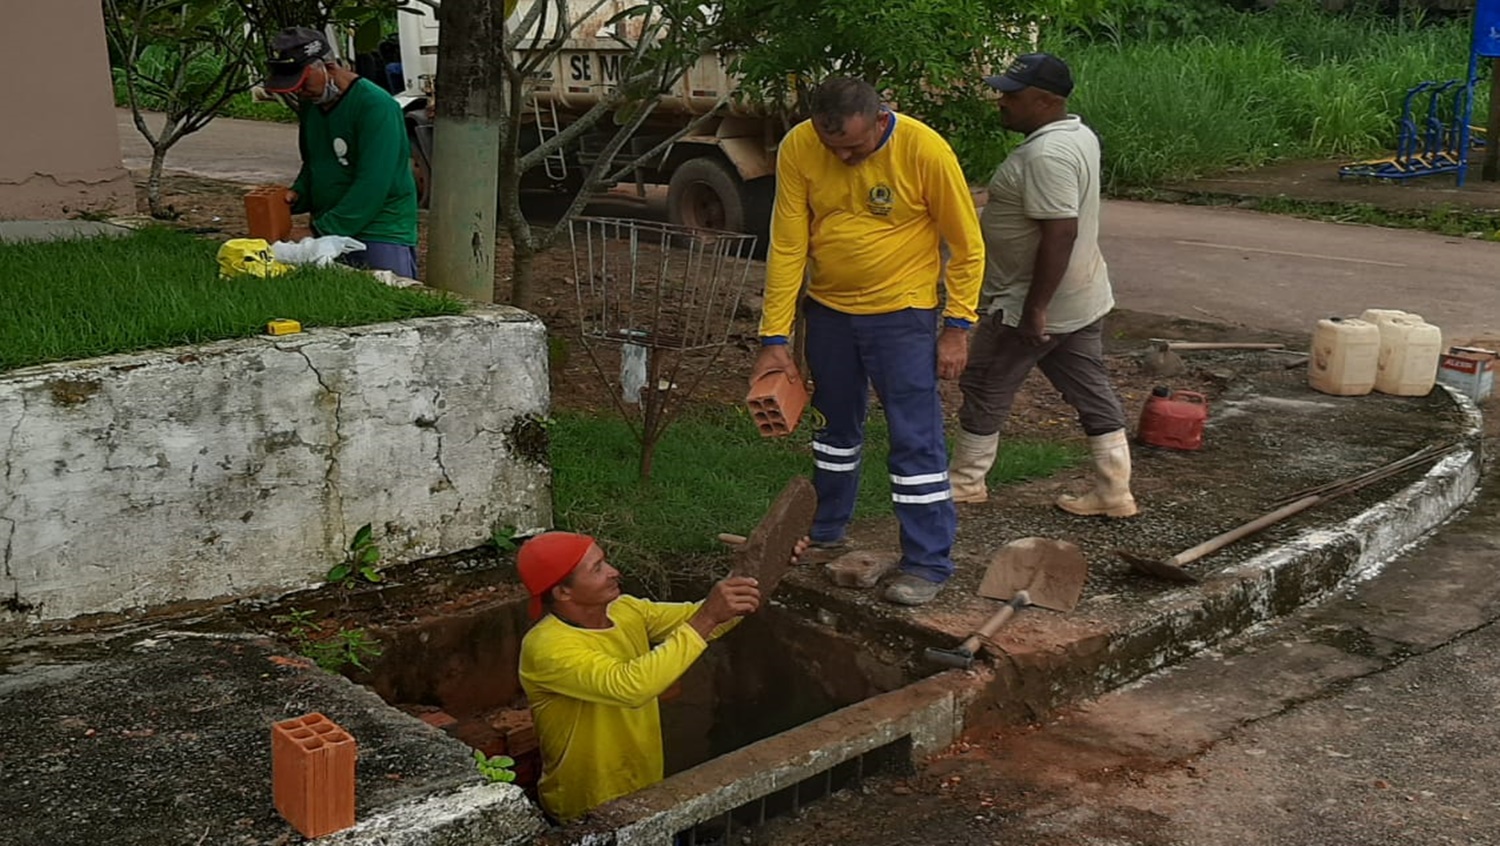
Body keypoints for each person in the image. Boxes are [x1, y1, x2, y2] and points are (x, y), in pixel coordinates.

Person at [749, 77, 984, 608]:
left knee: (914, 439)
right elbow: (788, 244)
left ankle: (927, 560)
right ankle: (826, 530)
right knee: (833, 433)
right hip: (829, 312)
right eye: (833, 147)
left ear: (882, 118)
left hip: (902, 316)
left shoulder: (924, 150)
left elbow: (966, 246)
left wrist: (957, 326)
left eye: (855, 146)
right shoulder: (799, 147)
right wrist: (775, 336)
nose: (845, 156)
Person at [948, 53, 1137, 518]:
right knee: (1089, 386)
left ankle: (965, 482)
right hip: (1081, 296)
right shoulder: (1077, 134)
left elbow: (1061, 231)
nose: (1002, 102)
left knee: (985, 381)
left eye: (1013, 95)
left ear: (1047, 100)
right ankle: (1115, 492)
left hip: (1033, 301)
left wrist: (1035, 310)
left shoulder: (1046, 154)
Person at [517, 531, 804, 822]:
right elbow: (631, 685)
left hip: (646, 792)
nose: (614, 572)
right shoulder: (547, 647)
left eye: (606, 562)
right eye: (597, 568)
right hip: (588, 809)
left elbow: (709, 619)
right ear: (562, 592)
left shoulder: (625, 609)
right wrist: (707, 618)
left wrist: (767, 568)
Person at [263, 26, 420, 279]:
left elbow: (374, 182)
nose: (298, 91)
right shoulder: (311, 105)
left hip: (379, 230)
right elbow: (315, 162)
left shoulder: (376, 107)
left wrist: (318, 231)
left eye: (302, 82)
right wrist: (297, 194)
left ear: (328, 67)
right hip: (331, 228)